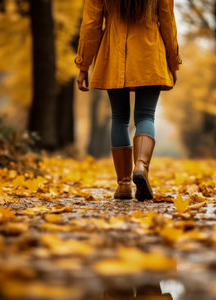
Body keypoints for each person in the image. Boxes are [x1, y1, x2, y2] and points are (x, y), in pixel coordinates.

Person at [75, 0, 181, 200]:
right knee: (146, 116)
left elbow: (91, 24)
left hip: (113, 54)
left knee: (120, 117)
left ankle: (123, 184)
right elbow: (168, 21)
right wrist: (173, 61)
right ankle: (140, 166)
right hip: (150, 53)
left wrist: (83, 64)